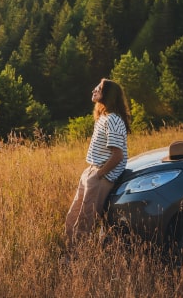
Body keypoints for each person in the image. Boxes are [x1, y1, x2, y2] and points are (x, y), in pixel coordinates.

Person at [64, 78, 130, 249]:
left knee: (84, 222)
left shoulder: (113, 120)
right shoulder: (103, 117)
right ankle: (69, 253)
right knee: (73, 216)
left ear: (108, 95)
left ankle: (76, 260)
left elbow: (117, 155)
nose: (94, 90)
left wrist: (99, 175)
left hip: (101, 175)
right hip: (91, 171)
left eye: (99, 88)